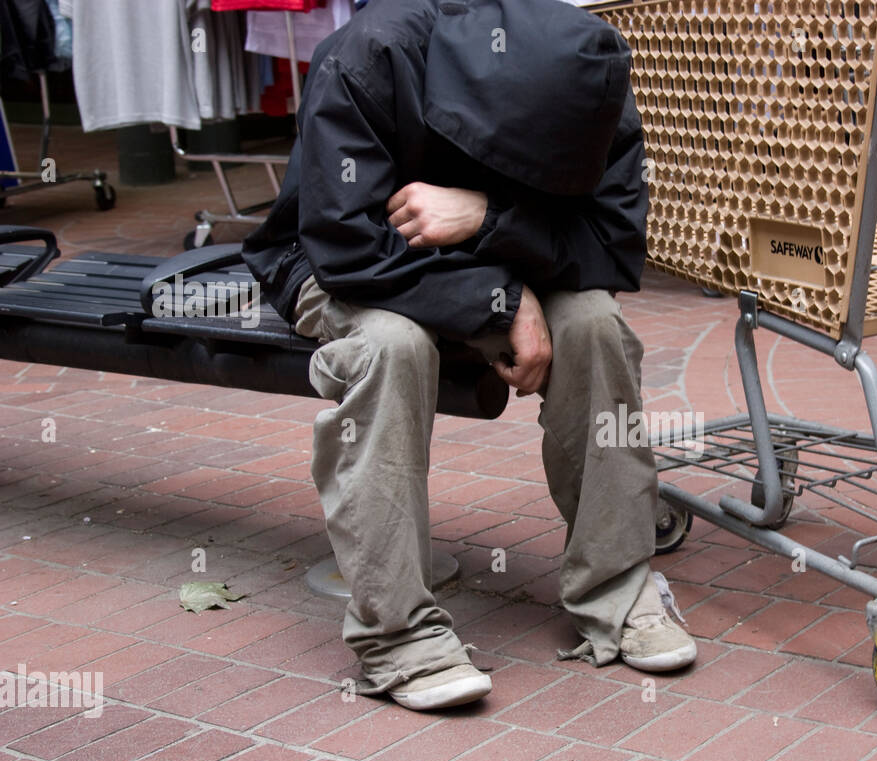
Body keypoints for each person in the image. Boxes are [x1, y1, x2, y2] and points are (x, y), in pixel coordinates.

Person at [242, 0, 696, 711]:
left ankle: (618, 590)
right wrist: (504, 301)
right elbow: (347, 247)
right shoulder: (369, 56)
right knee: (392, 346)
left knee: (597, 326)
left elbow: (611, 247)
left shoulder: (590, 77)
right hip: (340, 261)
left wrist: (487, 216)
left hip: (505, 256)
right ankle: (396, 634)